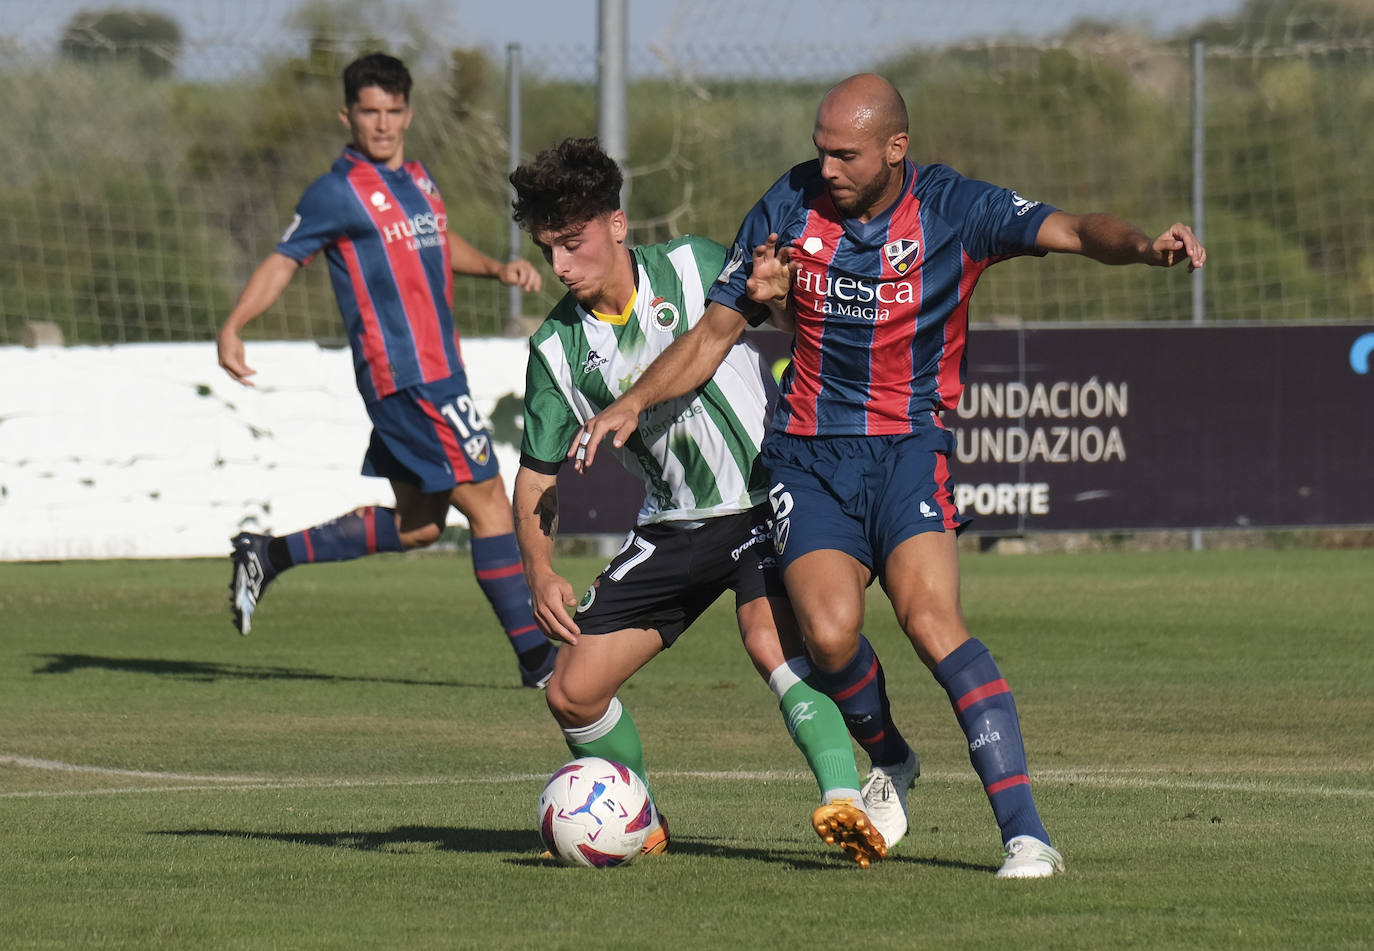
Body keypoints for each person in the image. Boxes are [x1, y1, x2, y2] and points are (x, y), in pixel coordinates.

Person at [573, 73, 1207, 878]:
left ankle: (1026, 834)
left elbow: (1078, 229)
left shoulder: (955, 208)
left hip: (909, 446)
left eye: (846, 154)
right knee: (830, 633)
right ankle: (895, 759)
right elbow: (713, 332)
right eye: (821, 150)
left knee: (932, 622)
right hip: (807, 456)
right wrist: (633, 402)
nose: (827, 168)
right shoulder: (787, 205)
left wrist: (1145, 246)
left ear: (895, 148)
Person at [509, 137, 913, 866]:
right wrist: (539, 571)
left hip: (766, 497)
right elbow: (537, 479)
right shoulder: (555, 351)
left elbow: (794, 324)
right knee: (571, 691)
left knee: (768, 639)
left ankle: (845, 799)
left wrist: (783, 295)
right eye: (548, 250)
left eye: (572, 243)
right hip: (673, 525)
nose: (561, 266)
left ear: (617, 224)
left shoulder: (695, 267)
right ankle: (640, 820)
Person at [216, 52, 558, 689]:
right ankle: (540, 663)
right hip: (406, 374)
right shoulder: (336, 192)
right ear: (347, 116)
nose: (382, 124)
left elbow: (435, 238)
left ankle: (268, 554)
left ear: (408, 114)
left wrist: (495, 268)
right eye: (369, 112)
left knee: (420, 525)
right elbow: (284, 259)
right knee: (489, 502)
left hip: (437, 370)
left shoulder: (419, 179)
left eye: (393, 111)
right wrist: (235, 324)